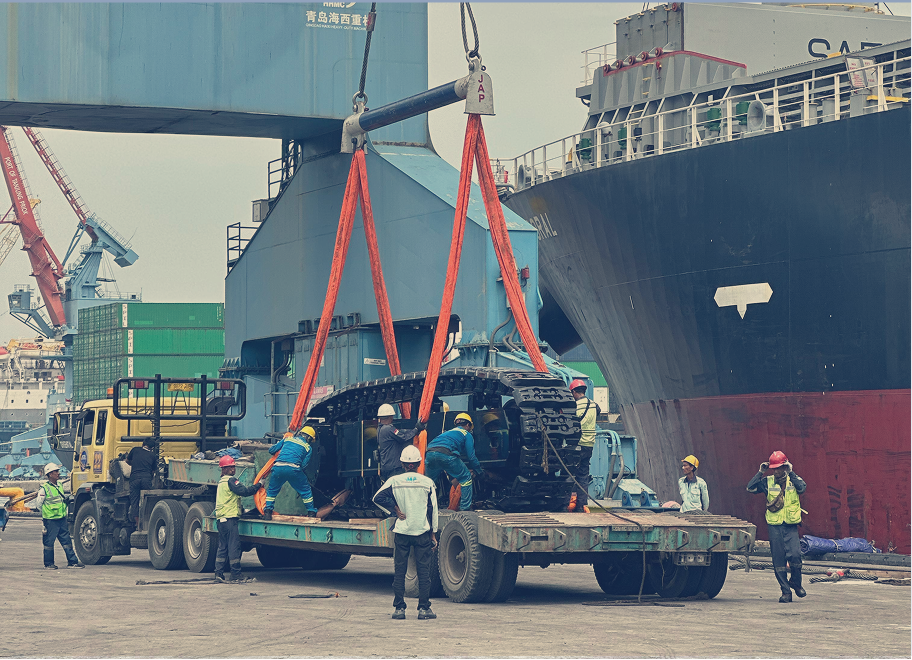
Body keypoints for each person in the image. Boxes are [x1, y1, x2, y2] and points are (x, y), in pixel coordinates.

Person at [373, 445, 439, 621]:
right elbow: (433, 509)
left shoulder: (394, 481)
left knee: (400, 571)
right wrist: (433, 533)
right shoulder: (427, 483)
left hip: (402, 532)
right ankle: (424, 609)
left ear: (402, 463)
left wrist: (394, 510)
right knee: (423, 572)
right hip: (421, 532)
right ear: (419, 463)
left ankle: (399, 609)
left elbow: (377, 498)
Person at [747, 451, 807, 603]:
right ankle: (786, 592)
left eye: (779, 468)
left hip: (790, 524)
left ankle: (796, 582)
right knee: (778, 560)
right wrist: (760, 472)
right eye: (774, 468)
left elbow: (802, 488)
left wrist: (792, 472)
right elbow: (750, 488)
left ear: (786, 467)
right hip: (775, 526)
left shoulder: (794, 480)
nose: (776, 471)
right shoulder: (767, 482)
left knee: (795, 556)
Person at [213, 455, 263, 583]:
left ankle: (218, 574)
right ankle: (235, 574)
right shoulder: (231, 481)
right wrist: (259, 485)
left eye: (234, 467)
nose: (233, 469)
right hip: (229, 519)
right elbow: (245, 491)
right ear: (224, 469)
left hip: (221, 519)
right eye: (230, 467)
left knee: (222, 547)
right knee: (234, 546)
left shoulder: (221, 482)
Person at [424, 413, 482, 511]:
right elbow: (471, 457)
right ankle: (465, 509)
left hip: (429, 454)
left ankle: (425, 508)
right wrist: (479, 470)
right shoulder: (466, 434)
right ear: (468, 425)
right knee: (466, 477)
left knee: (428, 483)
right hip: (446, 454)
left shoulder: (447, 433)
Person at [34, 463, 83, 569]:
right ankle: (49, 564)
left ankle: (72, 562)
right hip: (50, 520)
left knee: (67, 541)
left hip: (61, 519)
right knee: (49, 543)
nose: (58, 473)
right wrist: (46, 513)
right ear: (50, 474)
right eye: (56, 471)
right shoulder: (44, 488)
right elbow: (38, 504)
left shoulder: (59, 485)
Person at [263, 426, 318, 520]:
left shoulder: (287, 439)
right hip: (294, 469)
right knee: (305, 490)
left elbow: (271, 450)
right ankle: (311, 512)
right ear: (309, 438)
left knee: (272, 490)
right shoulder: (308, 447)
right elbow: (304, 465)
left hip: (278, 467)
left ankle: (268, 512)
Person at [570, 379, 598, 513]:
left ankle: (565, 504)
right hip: (589, 444)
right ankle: (581, 506)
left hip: (578, 444)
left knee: (569, 474)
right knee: (583, 475)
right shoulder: (594, 405)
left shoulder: (575, 406)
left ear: (574, 392)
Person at [377, 403, 425, 482]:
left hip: (386, 466)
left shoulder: (380, 429)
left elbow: (400, 433)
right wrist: (416, 429)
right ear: (391, 416)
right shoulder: (388, 428)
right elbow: (404, 438)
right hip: (394, 467)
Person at [126, 438, 157, 530]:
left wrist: (135, 464)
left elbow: (127, 461)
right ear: (152, 448)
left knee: (134, 501)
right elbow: (153, 471)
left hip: (134, 479)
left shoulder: (135, 450)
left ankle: (138, 523)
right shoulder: (153, 455)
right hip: (146, 479)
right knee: (148, 500)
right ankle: (148, 521)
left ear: (143, 444)